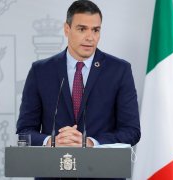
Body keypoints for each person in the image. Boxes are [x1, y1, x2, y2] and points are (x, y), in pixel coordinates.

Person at [16, 0, 140, 179]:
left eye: (95, 30)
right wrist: (52, 142)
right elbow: (24, 132)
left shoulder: (119, 70)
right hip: (53, 173)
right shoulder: (41, 71)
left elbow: (131, 131)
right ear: (67, 29)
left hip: (103, 174)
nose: (90, 37)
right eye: (82, 29)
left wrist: (91, 143)